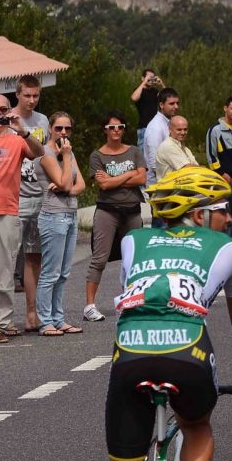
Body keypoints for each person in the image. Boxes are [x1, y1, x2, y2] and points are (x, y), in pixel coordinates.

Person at [103, 166, 232, 461]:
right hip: (187, 351)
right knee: (196, 426)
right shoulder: (230, 248)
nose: (229, 218)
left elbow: (129, 305)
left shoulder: (133, 240)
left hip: (130, 350)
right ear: (197, 214)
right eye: (222, 209)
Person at [85, 111, 146, 323]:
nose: (116, 131)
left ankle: (131, 300)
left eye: (120, 127)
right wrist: (129, 174)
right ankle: (90, 306)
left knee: (134, 258)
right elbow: (103, 184)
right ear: (105, 130)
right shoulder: (97, 155)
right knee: (99, 258)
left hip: (132, 210)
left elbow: (142, 178)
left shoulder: (134, 151)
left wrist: (115, 178)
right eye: (112, 127)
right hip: (107, 210)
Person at [0, 94, 44, 343]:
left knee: (5, 269)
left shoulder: (17, 140)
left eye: (4, 109)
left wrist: (23, 130)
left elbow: (39, 152)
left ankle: (2, 323)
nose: (0, 113)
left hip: (7, 210)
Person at [35, 111, 86, 335]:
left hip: (71, 214)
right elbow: (65, 182)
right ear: (50, 129)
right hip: (53, 216)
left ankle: (58, 319)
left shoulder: (68, 152)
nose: (63, 132)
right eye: (58, 128)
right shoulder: (46, 153)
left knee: (64, 273)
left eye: (67, 128)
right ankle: (45, 321)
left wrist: (66, 188)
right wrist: (65, 161)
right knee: (50, 273)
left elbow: (80, 185)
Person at [14, 75, 49, 331]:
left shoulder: (43, 121)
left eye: (35, 95)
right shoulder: (7, 119)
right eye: (27, 95)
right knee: (6, 259)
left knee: (34, 257)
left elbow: (45, 154)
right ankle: (3, 317)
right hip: (15, 197)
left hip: (40, 195)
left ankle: (31, 313)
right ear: (18, 94)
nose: (32, 100)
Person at [206, 97, 232, 242]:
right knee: (226, 214)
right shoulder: (215, 130)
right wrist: (221, 174)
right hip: (225, 179)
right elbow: (211, 156)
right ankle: (226, 244)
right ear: (225, 108)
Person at [142, 87, 180, 187]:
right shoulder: (156, 127)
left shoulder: (168, 122)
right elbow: (154, 163)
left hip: (170, 181)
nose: (176, 106)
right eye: (172, 104)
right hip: (158, 186)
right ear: (161, 105)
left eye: (177, 103)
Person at [154, 116, 197, 180]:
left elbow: (196, 167)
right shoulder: (167, 146)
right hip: (169, 186)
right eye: (179, 129)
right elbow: (187, 168)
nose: (183, 133)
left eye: (185, 129)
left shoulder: (185, 149)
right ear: (170, 130)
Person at [130, 69, 164, 147]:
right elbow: (134, 98)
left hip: (155, 127)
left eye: (153, 78)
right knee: (143, 151)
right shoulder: (139, 90)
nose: (151, 80)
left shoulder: (155, 91)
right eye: (149, 77)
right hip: (144, 127)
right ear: (143, 78)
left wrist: (161, 84)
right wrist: (144, 82)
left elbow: (168, 98)